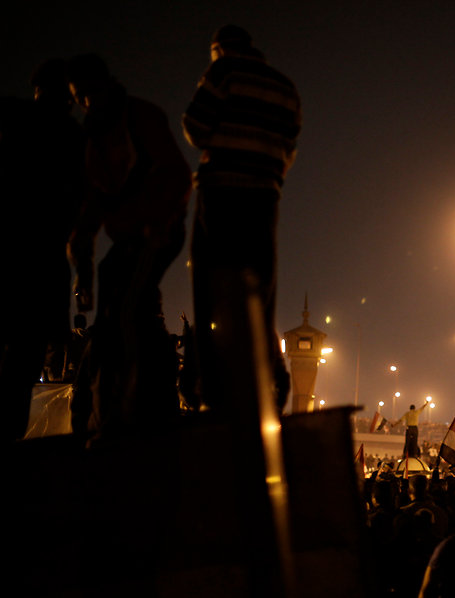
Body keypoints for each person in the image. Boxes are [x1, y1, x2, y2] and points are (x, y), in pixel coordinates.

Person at [65, 54, 191, 444]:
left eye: (91, 94)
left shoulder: (140, 117)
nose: (87, 103)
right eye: (80, 98)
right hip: (125, 238)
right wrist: (83, 269)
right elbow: (90, 206)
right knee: (112, 316)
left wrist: (157, 222)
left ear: (107, 85)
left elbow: (177, 174)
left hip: (158, 230)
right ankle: (106, 414)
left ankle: (127, 415)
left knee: (126, 312)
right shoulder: (92, 140)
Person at [183, 25, 301, 414]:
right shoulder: (285, 87)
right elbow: (289, 145)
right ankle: (272, 380)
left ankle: (209, 390)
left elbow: (196, 128)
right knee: (260, 289)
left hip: (220, 191)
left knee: (208, 287)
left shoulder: (223, 71)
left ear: (219, 49)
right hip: (265, 197)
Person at [0, 59, 85, 442]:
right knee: (23, 359)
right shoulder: (73, 136)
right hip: (44, 263)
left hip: (12, 252)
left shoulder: (15, 117)